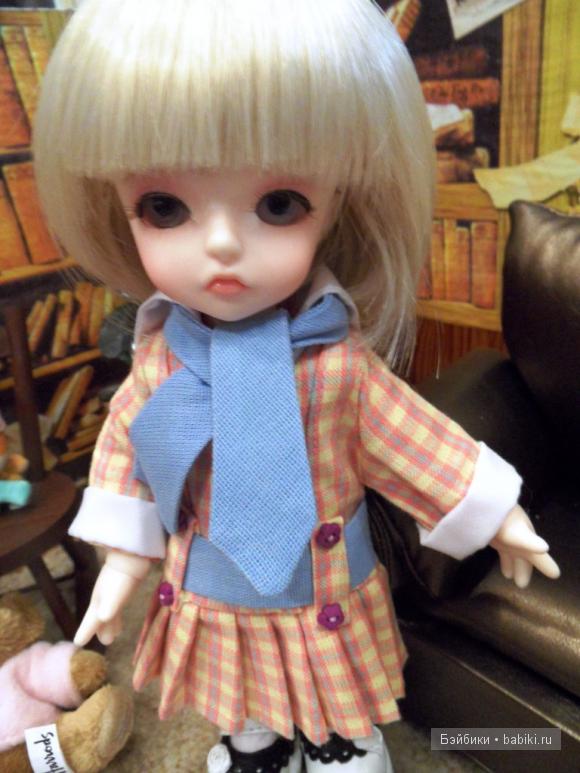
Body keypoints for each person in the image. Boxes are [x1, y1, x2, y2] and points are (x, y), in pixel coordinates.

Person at [32, 1, 560, 771]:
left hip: (323, 586)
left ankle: (337, 737)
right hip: (213, 584)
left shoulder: (336, 365)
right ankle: (255, 743)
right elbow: (126, 454)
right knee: (239, 692)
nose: (221, 244)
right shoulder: (161, 365)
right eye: (164, 207)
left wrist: (495, 512)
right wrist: (121, 562)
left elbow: (414, 438)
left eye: (278, 205)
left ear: (335, 199)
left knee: (330, 685)